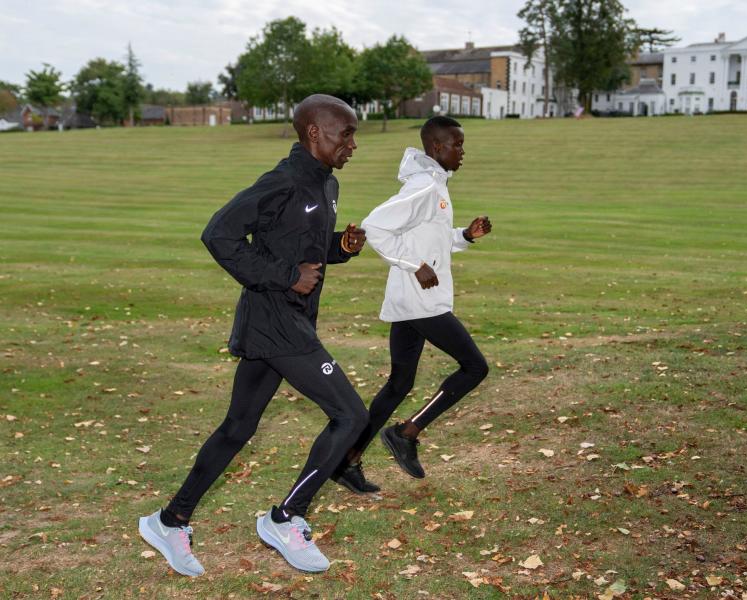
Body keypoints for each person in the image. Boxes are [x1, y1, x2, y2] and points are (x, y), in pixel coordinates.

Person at [138, 94, 368, 576]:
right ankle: (286, 518)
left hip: (287, 323)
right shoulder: (281, 182)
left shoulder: (326, 186)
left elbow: (302, 246)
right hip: (277, 322)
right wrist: (285, 276)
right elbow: (218, 234)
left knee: (238, 428)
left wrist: (339, 249)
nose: (352, 144)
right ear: (314, 134)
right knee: (350, 415)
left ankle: (170, 520)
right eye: (344, 133)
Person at [331, 116, 492, 495]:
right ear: (437, 148)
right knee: (474, 367)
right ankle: (407, 432)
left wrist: (465, 236)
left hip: (413, 301)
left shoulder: (434, 185)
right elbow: (374, 227)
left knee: (399, 383)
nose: (462, 152)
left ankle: (346, 460)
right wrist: (413, 266)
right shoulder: (423, 187)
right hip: (421, 301)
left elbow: (430, 241)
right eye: (457, 144)